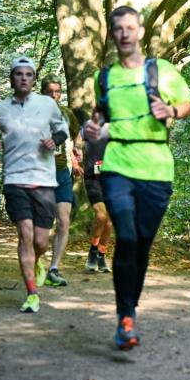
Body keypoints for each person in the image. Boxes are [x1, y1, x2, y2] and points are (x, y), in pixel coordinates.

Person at [82, 6, 190, 350]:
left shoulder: (162, 71)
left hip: (156, 167)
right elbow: (99, 116)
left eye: (131, 28)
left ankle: (130, 307)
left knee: (142, 244)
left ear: (141, 32)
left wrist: (170, 110)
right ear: (112, 34)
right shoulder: (104, 77)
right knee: (126, 236)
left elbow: (186, 105)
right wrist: (93, 128)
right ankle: (125, 318)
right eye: (119, 28)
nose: (125, 34)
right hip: (117, 163)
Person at [0, 57, 69, 313]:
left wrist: (55, 140)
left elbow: (63, 129)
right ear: (11, 79)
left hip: (44, 181)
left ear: (34, 79)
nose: (23, 78)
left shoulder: (47, 104)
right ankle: (32, 293)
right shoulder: (0, 108)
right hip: (15, 180)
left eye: (28, 74)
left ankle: (38, 261)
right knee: (25, 234)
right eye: (18, 74)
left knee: (41, 241)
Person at [40, 76, 83, 287]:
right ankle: (36, 260)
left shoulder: (66, 114)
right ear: (42, 93)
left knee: (64, 221)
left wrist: (77, 152)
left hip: (62, 173)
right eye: (50, 91)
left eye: (57, 91)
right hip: (40, 173)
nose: (54, 95)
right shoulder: (34, 113)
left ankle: (54, 268)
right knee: (42, 224)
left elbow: (77, 135)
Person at [83, 108, 112, 274]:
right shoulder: (88, 126)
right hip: (92, 177)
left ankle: (101, 255)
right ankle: (93, 252)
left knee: (109, 222)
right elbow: (77, 141)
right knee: (101, 215)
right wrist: (75, 157)